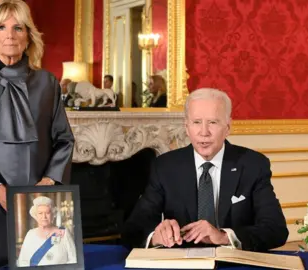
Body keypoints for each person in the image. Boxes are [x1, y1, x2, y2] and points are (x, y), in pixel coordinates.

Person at [0, 1, 75, 269]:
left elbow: (64, 139)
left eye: (17, 27)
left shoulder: (48, 82)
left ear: (28, 36)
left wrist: (50, 181)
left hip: (37, 198)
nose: (10, 34)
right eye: (1, 27)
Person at [122, 88, 288, 251]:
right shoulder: (165, 167)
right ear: (186, 127)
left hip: (232, 262)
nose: (204, 132)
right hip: (183, 263)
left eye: (213, 122)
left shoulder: (253, 165)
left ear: (228, 127)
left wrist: (223, 236)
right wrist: (156, 236)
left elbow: (276, 230)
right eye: (196, 122)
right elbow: (133, 229)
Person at [17, 196, 76, 266]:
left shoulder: (63, 233)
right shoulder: (30, 234)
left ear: (53, 214)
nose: (44, 217)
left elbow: (73, 259)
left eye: (47, 213)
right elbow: (23, 261)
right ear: (36, 215)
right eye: (40, 213)